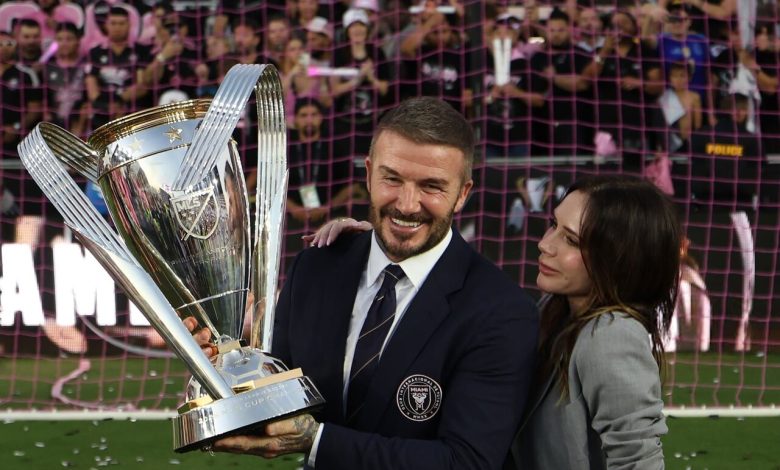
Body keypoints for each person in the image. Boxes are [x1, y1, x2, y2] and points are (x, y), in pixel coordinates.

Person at [191, 97, 540, 469]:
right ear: (369, 173)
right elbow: (278, 391)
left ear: (463, 194)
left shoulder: (501, 312)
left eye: (431, 186)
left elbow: (466, 462)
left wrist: (316, 440)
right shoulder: (315, 269)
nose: (407, 204)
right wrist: (224, 360)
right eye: (392, 179)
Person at [310, 174, 679, 469]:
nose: (545, 244)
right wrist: (385, 245)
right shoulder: (554, 312)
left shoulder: (612, 335)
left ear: (619, 259)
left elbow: (638, 460)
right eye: (553, 225)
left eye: (571, 240)